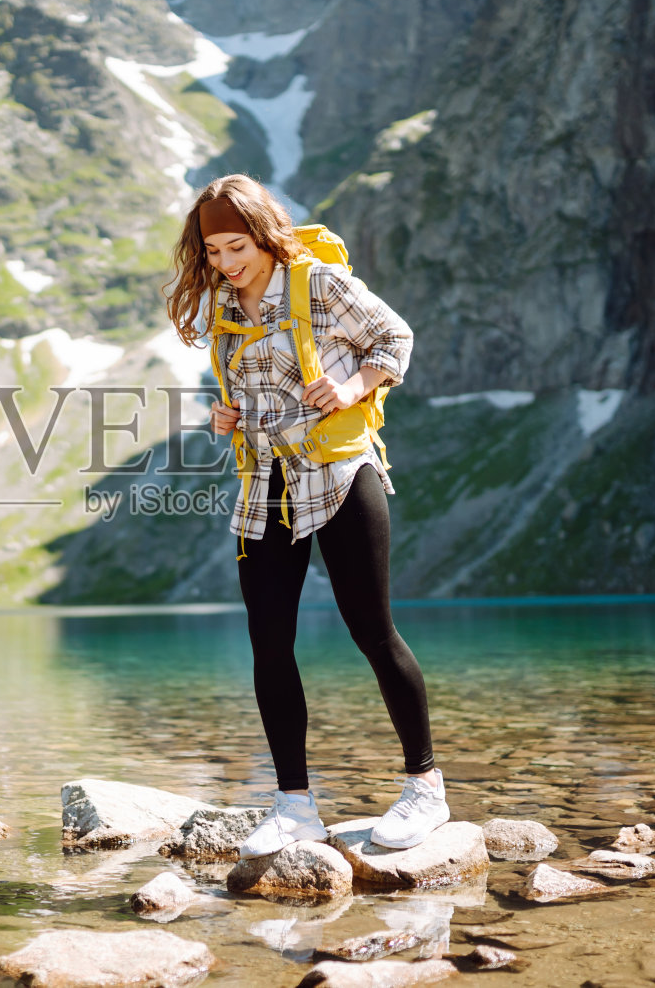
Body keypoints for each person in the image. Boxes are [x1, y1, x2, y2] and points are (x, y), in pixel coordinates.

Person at [165, 174, 446, 856]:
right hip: (265, 483)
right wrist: (225, 414)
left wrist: (352, 384)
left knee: (373, 633)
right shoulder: (226, 308)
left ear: (264, 233)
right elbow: (248, 391)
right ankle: (294, 805)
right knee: (269, 644)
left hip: (341, 471)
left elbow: (393, 338)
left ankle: (425, 789)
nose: (226, 263)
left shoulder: (318, 284)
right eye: (214, 252)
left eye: (237, 246)